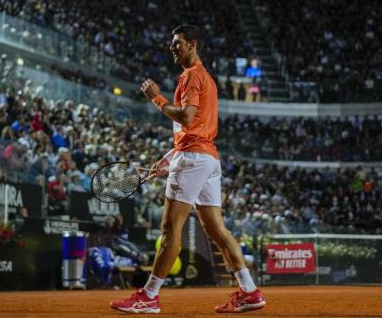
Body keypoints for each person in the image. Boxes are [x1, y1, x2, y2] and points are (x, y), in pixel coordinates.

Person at [110, 25, 266, 314]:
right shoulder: (205, 78)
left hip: (193, 158)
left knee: (170, 229)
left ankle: (149, 296)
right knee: (217, 230)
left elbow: (186, 117)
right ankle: (249, 291)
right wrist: (169, 157)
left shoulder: (192, 76)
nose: (172, 47)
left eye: (177, 43)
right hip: (207, 159)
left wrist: (156, 98)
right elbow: (196, 129)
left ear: (192, 44)